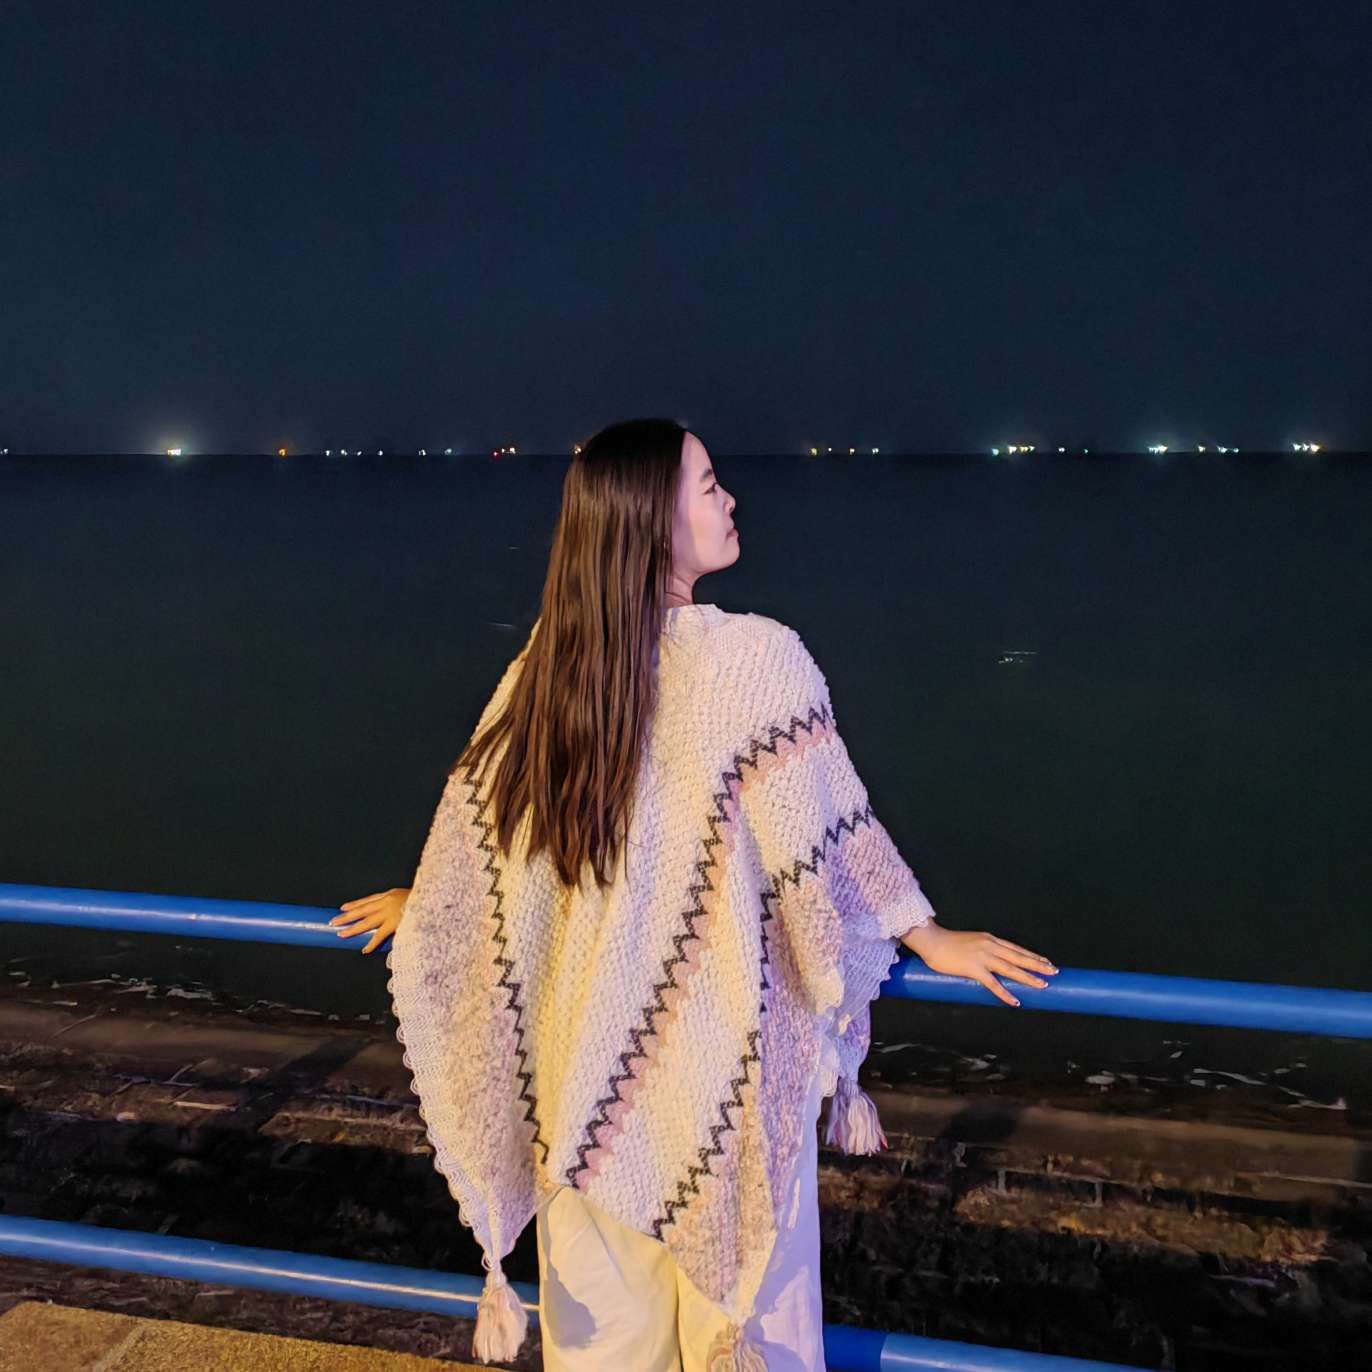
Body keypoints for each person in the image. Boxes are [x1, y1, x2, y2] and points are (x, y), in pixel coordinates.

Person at [333, 419, 1059, 1370]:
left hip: (584, 1105)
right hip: (733, 1107)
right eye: (709, 484)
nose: (730, 499)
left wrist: (428, 903)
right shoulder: (756, 661)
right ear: (650, 520)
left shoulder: (551, 668)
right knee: (750, 1345)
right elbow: (829, 847)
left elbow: (491, 838)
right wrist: (922, 933)